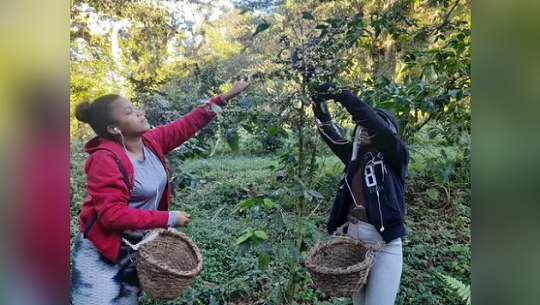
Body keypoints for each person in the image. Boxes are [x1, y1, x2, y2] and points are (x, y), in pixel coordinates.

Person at [70, 81, 250, 305]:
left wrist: (224, 97)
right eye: (130, 112)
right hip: (101, 251)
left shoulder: (151, 142)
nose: (140, 113)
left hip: (135, 248)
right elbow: (111, 215)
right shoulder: (105, 159)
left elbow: (188, 123)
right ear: (114, 129)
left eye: (135, 108)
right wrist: (168, 217)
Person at [311, 82, 409, 305]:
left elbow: (374, 124)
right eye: (361, 127)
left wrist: (341, 94)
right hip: (355, 239)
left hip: (384, 243)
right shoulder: (354, 158)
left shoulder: (396, 156)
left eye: (372, 127)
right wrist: (317, 103)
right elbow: (329, 130)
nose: (365, 129)